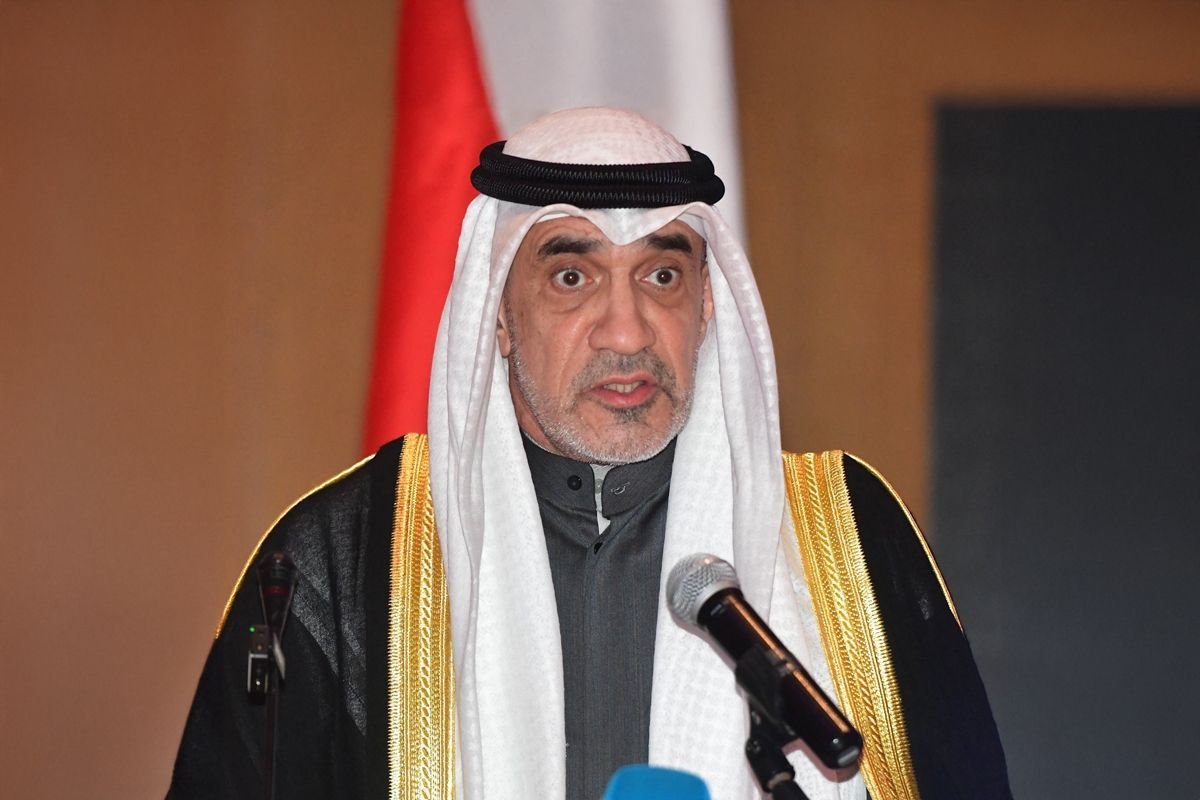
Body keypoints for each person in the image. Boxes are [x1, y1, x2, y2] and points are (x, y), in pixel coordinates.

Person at [168, 107, 1011, 800]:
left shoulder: (849, 537)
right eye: (572, 279)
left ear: (707, 307)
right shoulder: (337, 558)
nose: (627, 333)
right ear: (498, 315)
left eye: (662, 277)